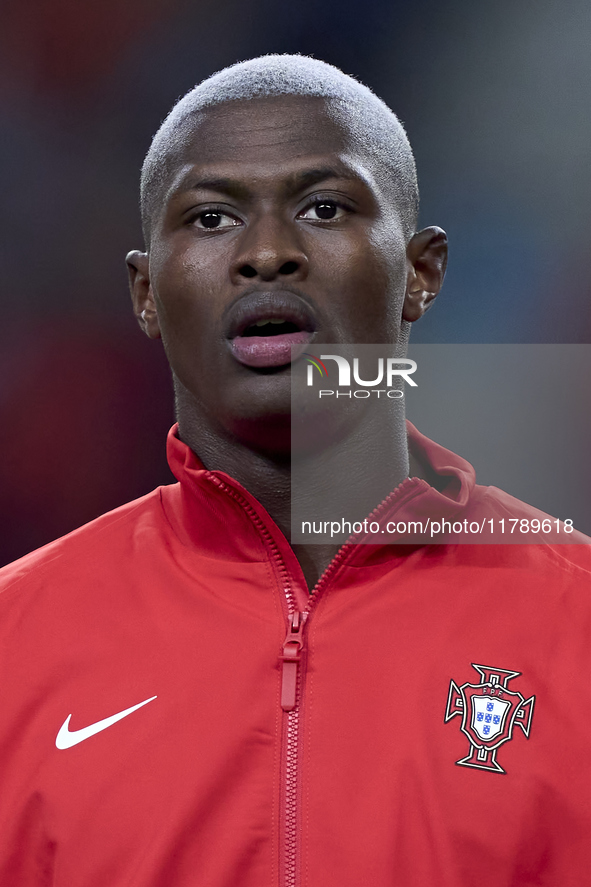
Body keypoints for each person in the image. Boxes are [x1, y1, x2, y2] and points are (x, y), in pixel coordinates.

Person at [0, 54, 590, 887]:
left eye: (323, 207)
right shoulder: (13, 642)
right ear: (143, 293)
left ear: (420, 273)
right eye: (209, 218)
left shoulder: (576, 622)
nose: (266, 253)